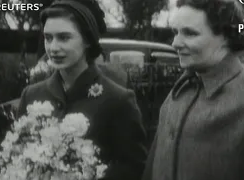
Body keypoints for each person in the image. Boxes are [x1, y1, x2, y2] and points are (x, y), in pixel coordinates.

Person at [16, 0, 147, 179]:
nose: (53, 48)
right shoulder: (31, 95)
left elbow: (134, 167)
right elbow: (19, 154)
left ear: (87, 40)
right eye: (48, 38)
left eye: (64, 37)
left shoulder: (118, 99)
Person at [142, 0, 244, 180]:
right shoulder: (180, 91)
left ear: (226, 36)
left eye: (190, 33)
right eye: (176, 32)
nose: (175, 43)